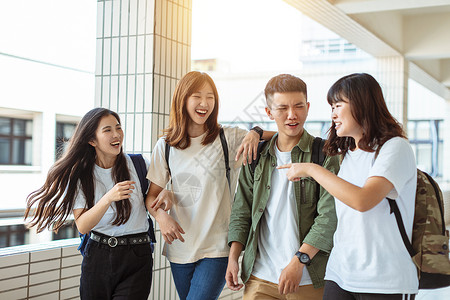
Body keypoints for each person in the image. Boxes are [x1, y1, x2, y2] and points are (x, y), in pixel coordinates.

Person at [279, 73, 418, 299]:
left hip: (385, 281)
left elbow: (363, 201)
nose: (333, 114)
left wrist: (312, 169)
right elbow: (290, 136)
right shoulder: (347, 153)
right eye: (331, 107)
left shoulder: (395, 148)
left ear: (362, 104)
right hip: (340, 274)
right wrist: (257, 134)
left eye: (338, 105)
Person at [146, 71, 275, 300]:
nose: (204, 103)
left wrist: (255, 132)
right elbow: (151, 197)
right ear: (183, 99)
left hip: (217, 247)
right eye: (197, 96)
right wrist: (162, 218)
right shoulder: (165, 145)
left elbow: (284, 137)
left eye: (210, 97)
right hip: (180, 248)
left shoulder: (228, 138)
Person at [25, 107, 160, 300]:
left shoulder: (138, 164)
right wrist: (108, 198)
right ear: (91, 140)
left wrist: (167, 197)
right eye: (107, 130)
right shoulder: (81, 175)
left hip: (138, 256)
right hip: (98, 256)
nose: (117, 135)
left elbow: (153, 197)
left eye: (118, 127)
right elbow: (83, 224)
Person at [226, 74, 340, 300]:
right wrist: (233, 257)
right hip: (260, 276)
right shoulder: (256, 154)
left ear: (307, 107)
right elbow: (242, 209)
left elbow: (329, 217)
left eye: (299, 106)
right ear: (269, 113)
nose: (292, 115)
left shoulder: (324, 154)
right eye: (282, 108)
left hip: (307, 277)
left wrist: (299, 261)